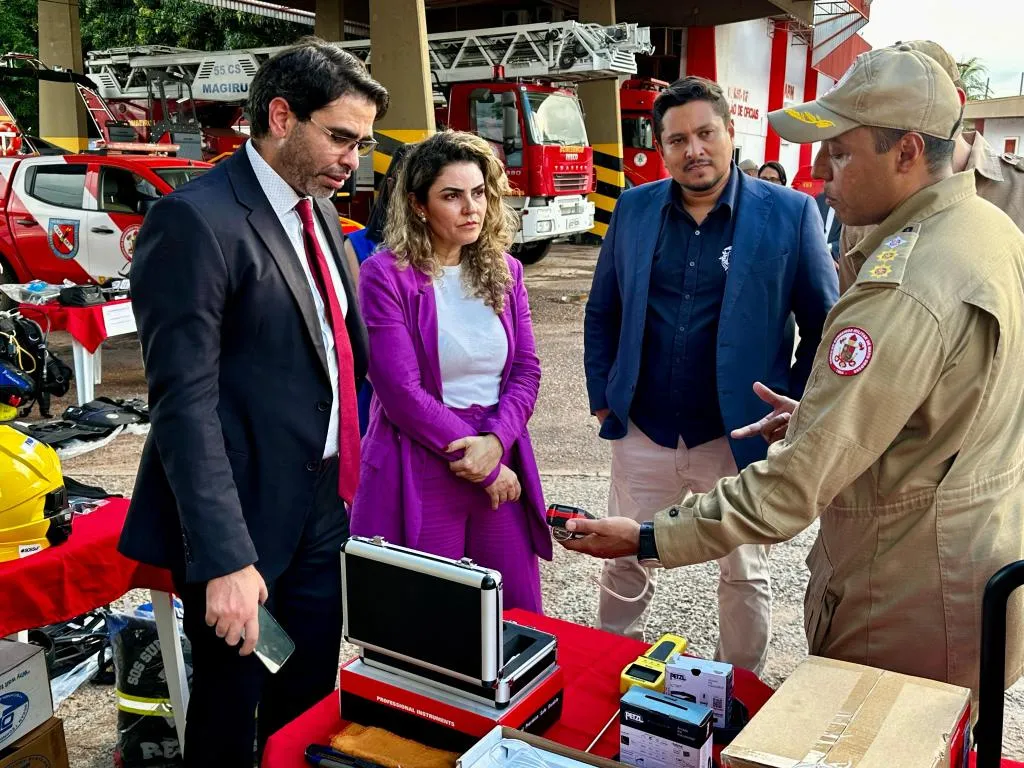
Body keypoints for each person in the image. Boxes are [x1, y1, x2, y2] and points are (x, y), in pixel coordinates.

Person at [564, 47, 1024, 698]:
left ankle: (738, 686)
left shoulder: (902, 283)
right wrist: (819, 414)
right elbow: (933, 404)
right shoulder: (987, 228)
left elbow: (797, 481)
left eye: (840, 152)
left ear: (907, 152)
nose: (824, 172)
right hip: (949, 570)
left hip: (905, 597)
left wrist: (646, 538)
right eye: (676, 139)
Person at [119, 39, 388, 766]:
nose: (352, 159)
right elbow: (184, 403)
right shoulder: (196, 221)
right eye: (339, 137)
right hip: (241, 526)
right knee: (231, 715)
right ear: (278, 115)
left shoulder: (321, 213)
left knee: (304, 705)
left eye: (360, 143)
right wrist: (226, 558)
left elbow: (332, 359)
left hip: (319, 509)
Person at [583, 76, 837, 675]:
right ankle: (607, 665)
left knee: (743, 569)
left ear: (729, 133)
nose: (693, 149)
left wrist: (790, 405)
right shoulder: (635, 208)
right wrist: (602, 396)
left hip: (740, 435)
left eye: (705, 133)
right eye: (677, 139)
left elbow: (823, 323)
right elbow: (603, 310)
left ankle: (739, 688)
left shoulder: (791, 213)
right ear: (661, 146)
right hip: (645, 426)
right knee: (623, 554)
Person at [350, 130, 550, 612]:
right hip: (421, 458)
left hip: (497, 450)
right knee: (427, 620)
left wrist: (497, 443)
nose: (471, 208)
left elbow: (526, 369)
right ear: (419, 205)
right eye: (452, 196)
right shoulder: (385, 274)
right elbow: (399, 391)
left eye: (478, 193)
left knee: (514, 613)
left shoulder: (506, 270)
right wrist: (480, 462)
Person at [838, 39, 1024, 292]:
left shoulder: (1018, 191)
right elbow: (852, 314)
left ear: (955, 104)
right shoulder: (865, 202)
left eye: (904, 99)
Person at [343, 143, 412, 435]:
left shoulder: (452, 250)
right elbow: (364, 335)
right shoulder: (359, 247)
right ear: (394, 185)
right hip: (381, 393)